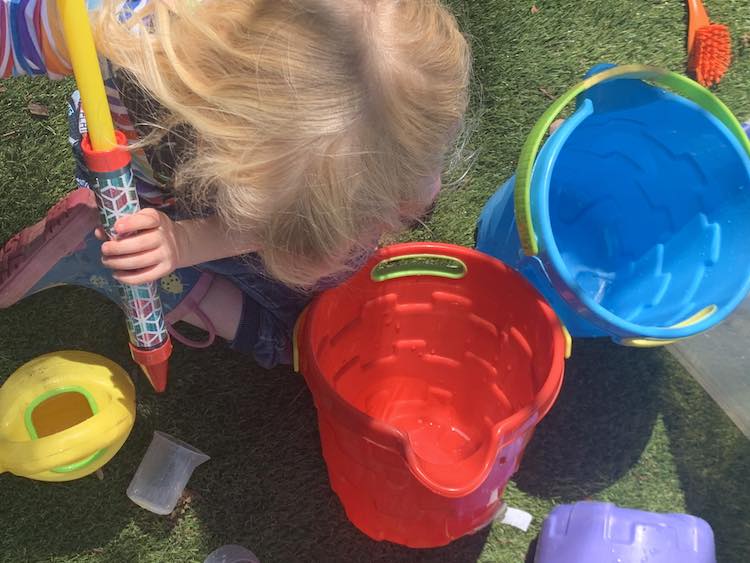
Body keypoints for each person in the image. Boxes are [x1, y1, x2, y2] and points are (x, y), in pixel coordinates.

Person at [0, 0, 471, 368]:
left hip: (243, 191)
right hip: (144, 195)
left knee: (328, 281)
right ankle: (100, 254)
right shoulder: (104, 26)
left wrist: (407, 190)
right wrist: (179, 241)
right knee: (298, 337)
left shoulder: (399, 90)